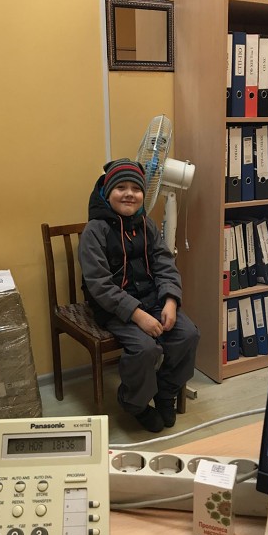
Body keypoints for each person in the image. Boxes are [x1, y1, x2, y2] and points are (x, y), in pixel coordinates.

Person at [78, 158, 200, 432]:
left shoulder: (147, 225)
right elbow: (99, 284)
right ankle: (136, 404)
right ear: (107, 192)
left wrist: (171, 300)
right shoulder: (94, 231)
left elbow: (165, 264)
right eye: (120, 187)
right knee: (145, 349)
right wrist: (137, 315)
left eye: (136, 188)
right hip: (114, 309)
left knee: (188, 334)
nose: (129, 194)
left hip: (152, 299)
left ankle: (166, 391)